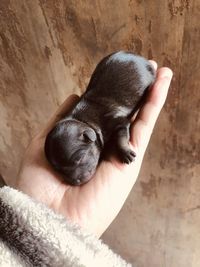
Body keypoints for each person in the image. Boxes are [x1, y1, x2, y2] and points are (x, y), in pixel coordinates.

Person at [0, 62, 173, 266]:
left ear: (87, 135)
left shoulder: (102, 117)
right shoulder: (81, 126)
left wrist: (122, 145)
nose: (76, 177)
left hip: (137, 73)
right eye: (63, 170)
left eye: (78, 161)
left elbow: (122, 124)